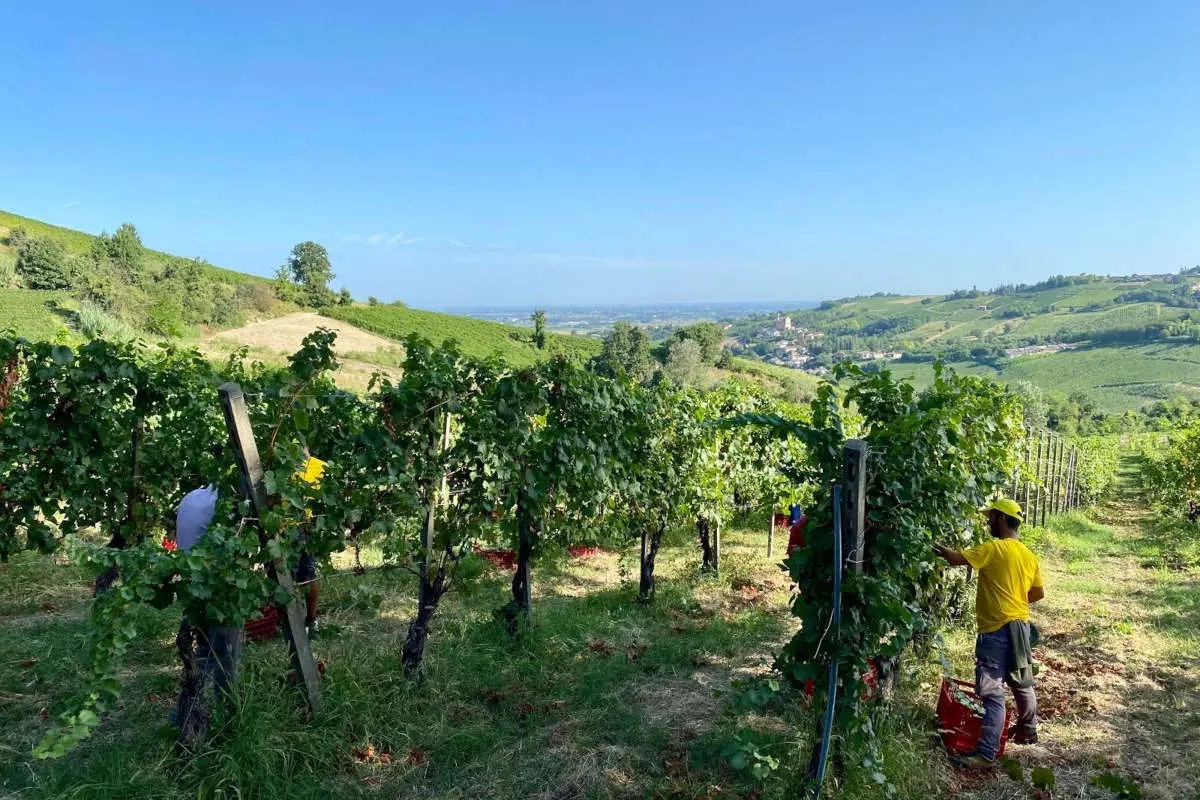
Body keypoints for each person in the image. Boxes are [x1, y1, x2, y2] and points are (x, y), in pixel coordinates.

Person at [934, 497, 1044, 768]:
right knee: (1021, 679)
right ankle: (1028, 729)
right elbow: (1037, 593)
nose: (988, 521)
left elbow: (957, 559)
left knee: (992, 692)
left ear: (1002, 519)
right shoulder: (1029, 555)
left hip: (995, 628)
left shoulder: (994, 548)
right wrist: (1013, 600)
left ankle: (985, 754)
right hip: (1021, 625)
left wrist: (934, 546)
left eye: (991, 517)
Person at [172, 485, 243, 728]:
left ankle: (187, 709)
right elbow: (237, 548)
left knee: (203, 651)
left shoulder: (191, 496)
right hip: (217, 589)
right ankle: (228, 717)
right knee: (227, 656)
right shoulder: (227, 504)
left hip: (193, 587)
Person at [294, 455, 326, 636]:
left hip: (303, 527)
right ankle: (297, 620)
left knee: (304, 576)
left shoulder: (321, 467)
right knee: (303, 575)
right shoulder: (321, 466)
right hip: (289, 527)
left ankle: (308, 620)